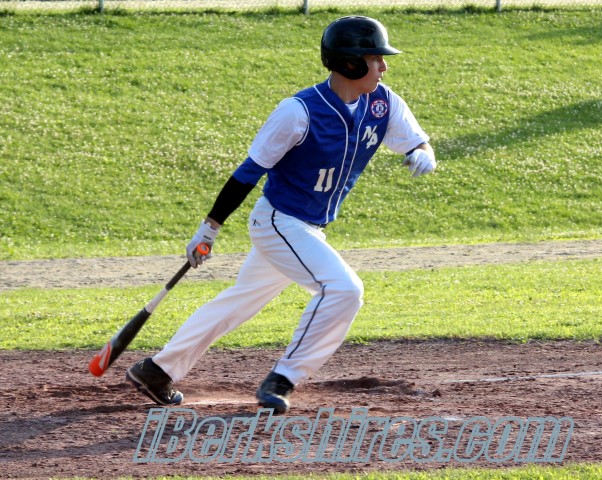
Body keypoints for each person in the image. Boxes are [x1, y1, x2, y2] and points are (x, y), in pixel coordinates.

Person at [126, 15, 437, 414]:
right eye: (376, 58)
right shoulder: (298, 111)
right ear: (349, 63)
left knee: (238, 302)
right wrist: (208, 230)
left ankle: (157, 370)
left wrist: (422, 153)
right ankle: (284, 378)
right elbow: (247, 173)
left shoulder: (383, 103)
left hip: (308, 229)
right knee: (344, 290)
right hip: (278, 222)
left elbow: (416, 141)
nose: (383, 66)